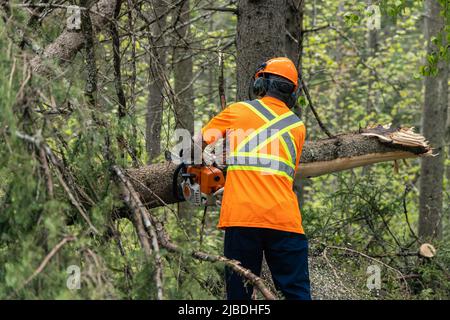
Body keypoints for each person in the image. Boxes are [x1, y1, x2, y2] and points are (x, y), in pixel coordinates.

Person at [201, 57, 310, 300]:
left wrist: (211, 168)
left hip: (243, 217)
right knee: (297, 293)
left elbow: (198, 144)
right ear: (291, 91)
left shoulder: (238, 111)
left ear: (262, 83)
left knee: (239, 295)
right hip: (285, 220)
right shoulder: (297, 126)